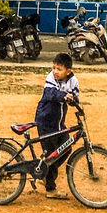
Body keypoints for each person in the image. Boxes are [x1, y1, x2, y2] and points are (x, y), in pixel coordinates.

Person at [36, 52, 80, 199]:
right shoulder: (50, 78)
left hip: (59, 123)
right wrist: (63, 96)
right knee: (50, 155)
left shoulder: (73, 81)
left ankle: (45, 171)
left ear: (68, 70)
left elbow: (75, 97)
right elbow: (50, 94)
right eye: (54, 67)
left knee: (66, 148)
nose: (55, 71)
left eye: (59, 69)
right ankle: (50, 188)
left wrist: (74, 101)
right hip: (46, 121)